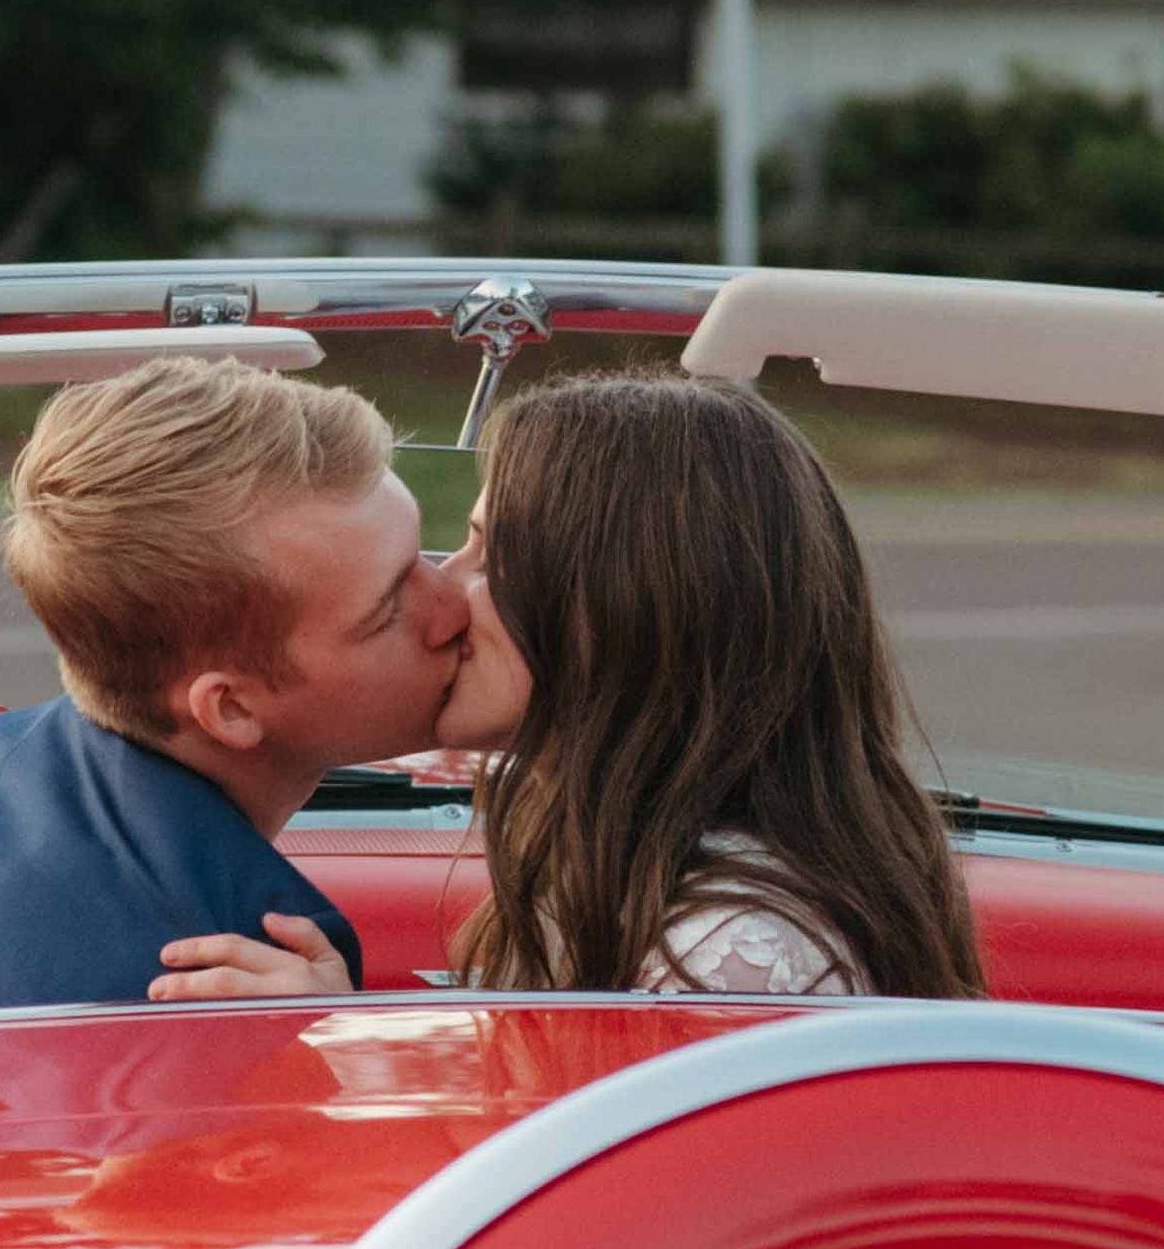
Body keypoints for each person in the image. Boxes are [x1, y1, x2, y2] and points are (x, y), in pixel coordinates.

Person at [153, 370, 984, 1003]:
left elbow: (608, 1222)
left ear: (628, 612)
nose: (444, 590)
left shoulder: (729, 958)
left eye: (494, 558)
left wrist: (324, 1053)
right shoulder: (585, 823)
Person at [0, 355, 469, 1025]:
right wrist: (314, 1052)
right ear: (229, 708)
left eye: (423, 551)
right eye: (387, 609)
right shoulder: (220, 985)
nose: (454, 607)